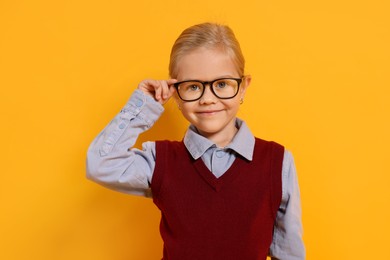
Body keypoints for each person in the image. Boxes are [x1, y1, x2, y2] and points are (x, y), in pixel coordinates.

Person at [86, 22, 305, 260]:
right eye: (192, 87)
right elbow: (100, 164)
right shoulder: (161, 161)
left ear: (243, 87)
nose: (208, 99)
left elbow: (289, 253)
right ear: (175, 93)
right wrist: (143, 105)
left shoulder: (277, 162)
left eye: (221, 84)